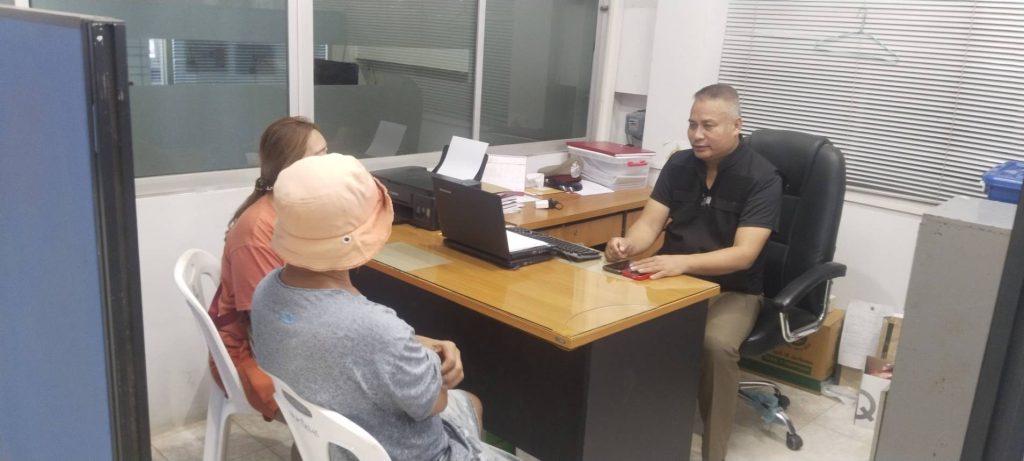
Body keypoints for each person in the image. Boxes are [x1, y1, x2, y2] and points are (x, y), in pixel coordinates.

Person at [250, 153, 519, 461]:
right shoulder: (378, 329)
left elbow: (345, 340)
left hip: (325, 448)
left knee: (469, 403)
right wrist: (429, 362)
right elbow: (435, 402)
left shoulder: (266, 292)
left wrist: (416, 346)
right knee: (468, 402)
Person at [605, 83, 782, 461]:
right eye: (692, 124)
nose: (697, 135)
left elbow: (744, 255)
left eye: (708, 126)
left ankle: (713, 453)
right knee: (613, 321)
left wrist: (681, 262)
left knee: (715, 346)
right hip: (672, 278)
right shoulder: (679, 165)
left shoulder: (763, 178)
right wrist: (628, 244)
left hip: (732, 289)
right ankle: (625, 431)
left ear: (736, 125)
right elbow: (649, 224)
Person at [207, 116, 328, 423]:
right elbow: (271, 322)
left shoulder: (301, 210)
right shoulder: (257, 230)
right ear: (290, 168)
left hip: (298, 329)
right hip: (258, 353)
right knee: (362, 399)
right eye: (319, 157)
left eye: (328, 153)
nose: (330, 165)